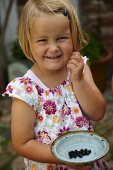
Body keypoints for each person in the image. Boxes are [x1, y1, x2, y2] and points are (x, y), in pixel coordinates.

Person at [3, 0, 107, 169]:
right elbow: (22, 143)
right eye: (43, 40)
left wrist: (78, 81)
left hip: (86, 158)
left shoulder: (79, 70)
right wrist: (64, 158)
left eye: (62, 38)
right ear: (28, 42)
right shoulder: (26, 90)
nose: (53, 48)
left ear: (73, 36)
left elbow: (97, 113)